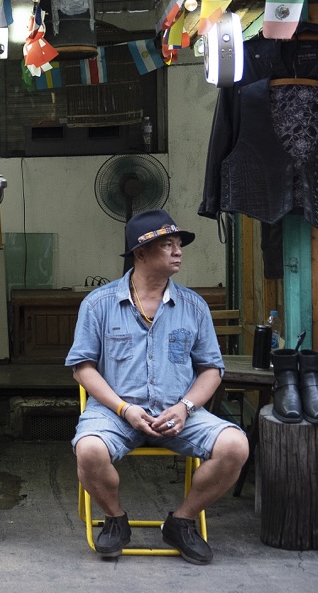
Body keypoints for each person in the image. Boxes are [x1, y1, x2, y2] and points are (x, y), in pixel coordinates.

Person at [66, 209, 249, 565]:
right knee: (88, 449)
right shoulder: (99, 304)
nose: (178, 251)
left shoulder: (194, 306)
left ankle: (182, 521)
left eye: (179, 244)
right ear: (141, 253)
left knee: (235, 446)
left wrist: (185, 408)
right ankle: (116, 519)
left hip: (177, 412)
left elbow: (212, 370)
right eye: (168, 245)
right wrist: (124, 409)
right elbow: (83, 368)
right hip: (116, 414)